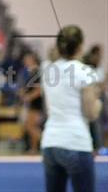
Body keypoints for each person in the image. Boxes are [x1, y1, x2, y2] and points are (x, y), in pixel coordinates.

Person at [41, 25, 102, 192]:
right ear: (80, 46)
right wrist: (99, 101)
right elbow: (91, 113)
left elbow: (48, 109)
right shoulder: (84, 72)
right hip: (75, 141)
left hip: (50, 141)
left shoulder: (48, 70)